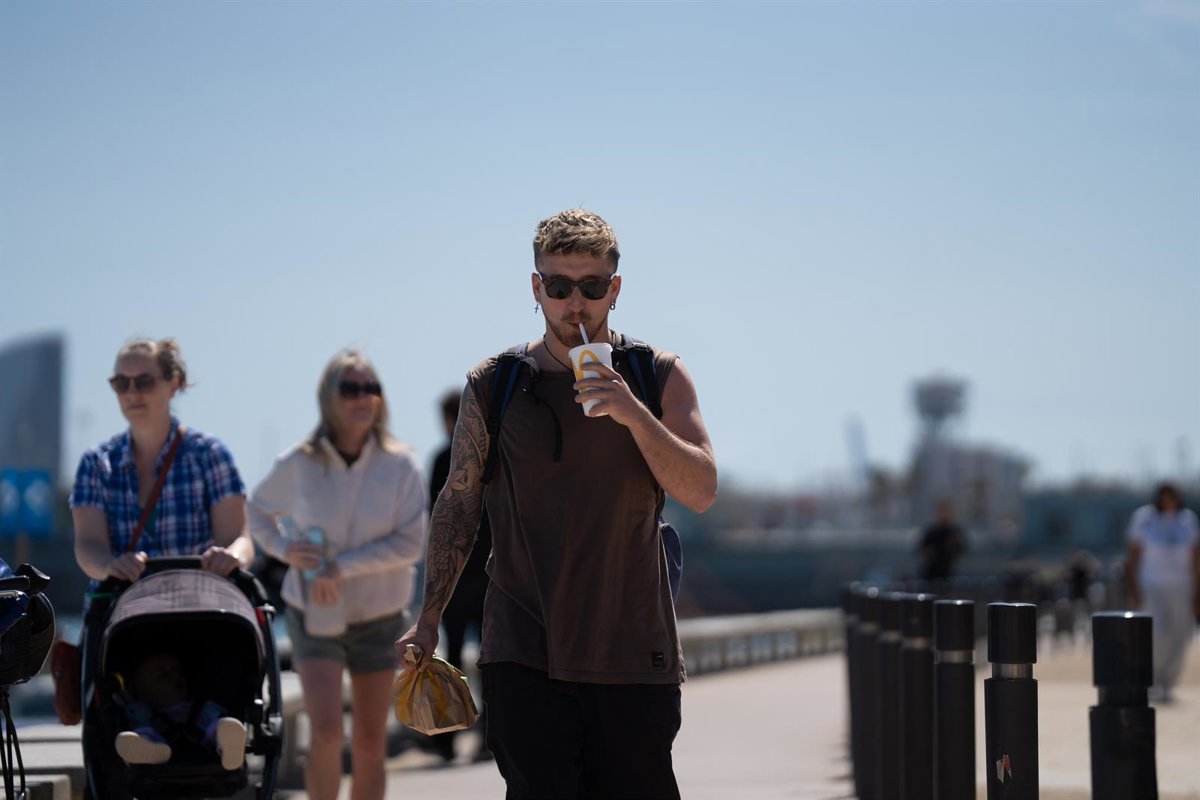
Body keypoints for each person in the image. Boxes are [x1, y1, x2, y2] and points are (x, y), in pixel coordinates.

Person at [397, 209, 718, 799]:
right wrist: (428, 617)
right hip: (523, 647)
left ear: (614, 289)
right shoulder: (494, 384)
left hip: (632, 647)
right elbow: (458, 505)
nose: (575, 304)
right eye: (559, 286)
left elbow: (700, 489)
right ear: (536, 287)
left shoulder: (657, 375)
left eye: (591, 287)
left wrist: (632, 413)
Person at [248, 350, 427, 800]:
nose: (364, 397)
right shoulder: (301, 462)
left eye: (372, 388)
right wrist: (285, 550)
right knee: (326, 734)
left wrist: (339, 566)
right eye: (351, 389)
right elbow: (257, 510)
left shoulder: (401, 465)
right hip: (315, 615)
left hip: (381, 618)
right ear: (329, 398)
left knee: (368, 743)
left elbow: (411, 544)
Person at [70, 337, 253, 593]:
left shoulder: (210, 454)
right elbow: (88, 544)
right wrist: (110, 567)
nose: (132, 393)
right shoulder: (96, 463)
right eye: (121, 383)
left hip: (200, 605)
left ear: (173, 385)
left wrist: (231, 557)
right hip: (121, 609)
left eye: (144, 381)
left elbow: (239, 539)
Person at [428, 389, 492, 762]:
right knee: (480, 660)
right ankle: (477, 737)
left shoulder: (446, 460)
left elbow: (436, 520)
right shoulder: (485, 455)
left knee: (459, 662)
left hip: (464, 577)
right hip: (479, 576)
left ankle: (454, 738)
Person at [1124, 482, 1200, 703]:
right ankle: (1151, 680)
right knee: (1157, 633)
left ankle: (1167, 682)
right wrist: (1133, 589)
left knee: (1181, 634)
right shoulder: (1144, 517)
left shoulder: (1188, 519)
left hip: (1182, 586)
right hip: (1152, 584)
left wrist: (1197, 592)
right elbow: (1132, 556)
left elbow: (1195, 558)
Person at [114, 651, 247, 771]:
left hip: (201, 736)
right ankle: (148, 752)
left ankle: (228, 747)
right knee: (144, 733)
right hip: (161, 738)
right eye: (163, 675)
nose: (176, 677)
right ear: (142, 693)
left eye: (179, 672)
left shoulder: (199, 706)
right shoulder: (146, 710)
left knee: (220, 726)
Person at [917, 499, 966, 584]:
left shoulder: (956, 533)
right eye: (942, 511)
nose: (944, 515)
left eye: (946, 511)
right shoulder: (931, 532)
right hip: (931, 574)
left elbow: (961, 549)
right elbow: (924, 552)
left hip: (951, 574)